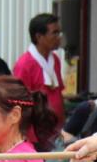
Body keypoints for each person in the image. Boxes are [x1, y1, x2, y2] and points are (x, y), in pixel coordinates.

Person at [12, 13, 65, 148]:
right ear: (39, 37)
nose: (59, 37)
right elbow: (19, 101)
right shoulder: (24, 64)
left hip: (55, 129)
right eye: (54, 33)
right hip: (35, 132)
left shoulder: (55, 60)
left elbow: (58, 93)